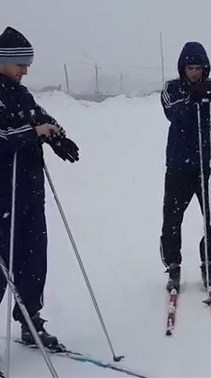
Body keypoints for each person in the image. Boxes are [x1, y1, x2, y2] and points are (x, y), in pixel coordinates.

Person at [0, 26, 80, 349]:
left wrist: (57, 136)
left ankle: (30, 321)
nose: (25, 70)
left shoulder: (20, 93)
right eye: (20, 63)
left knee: (33, 260)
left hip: (29, 193)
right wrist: (34, 133)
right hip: (3, 195)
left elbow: (39, 117)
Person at [159, 41, 211, 292]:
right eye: (190, 67)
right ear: (183, 68)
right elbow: (171, 112)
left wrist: (210, 92)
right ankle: (173, 265)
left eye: (199, 68)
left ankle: (208, 262)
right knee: (172, 218)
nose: (195, 72)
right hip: (180, 164)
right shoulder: (172, 88)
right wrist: (192, 98)